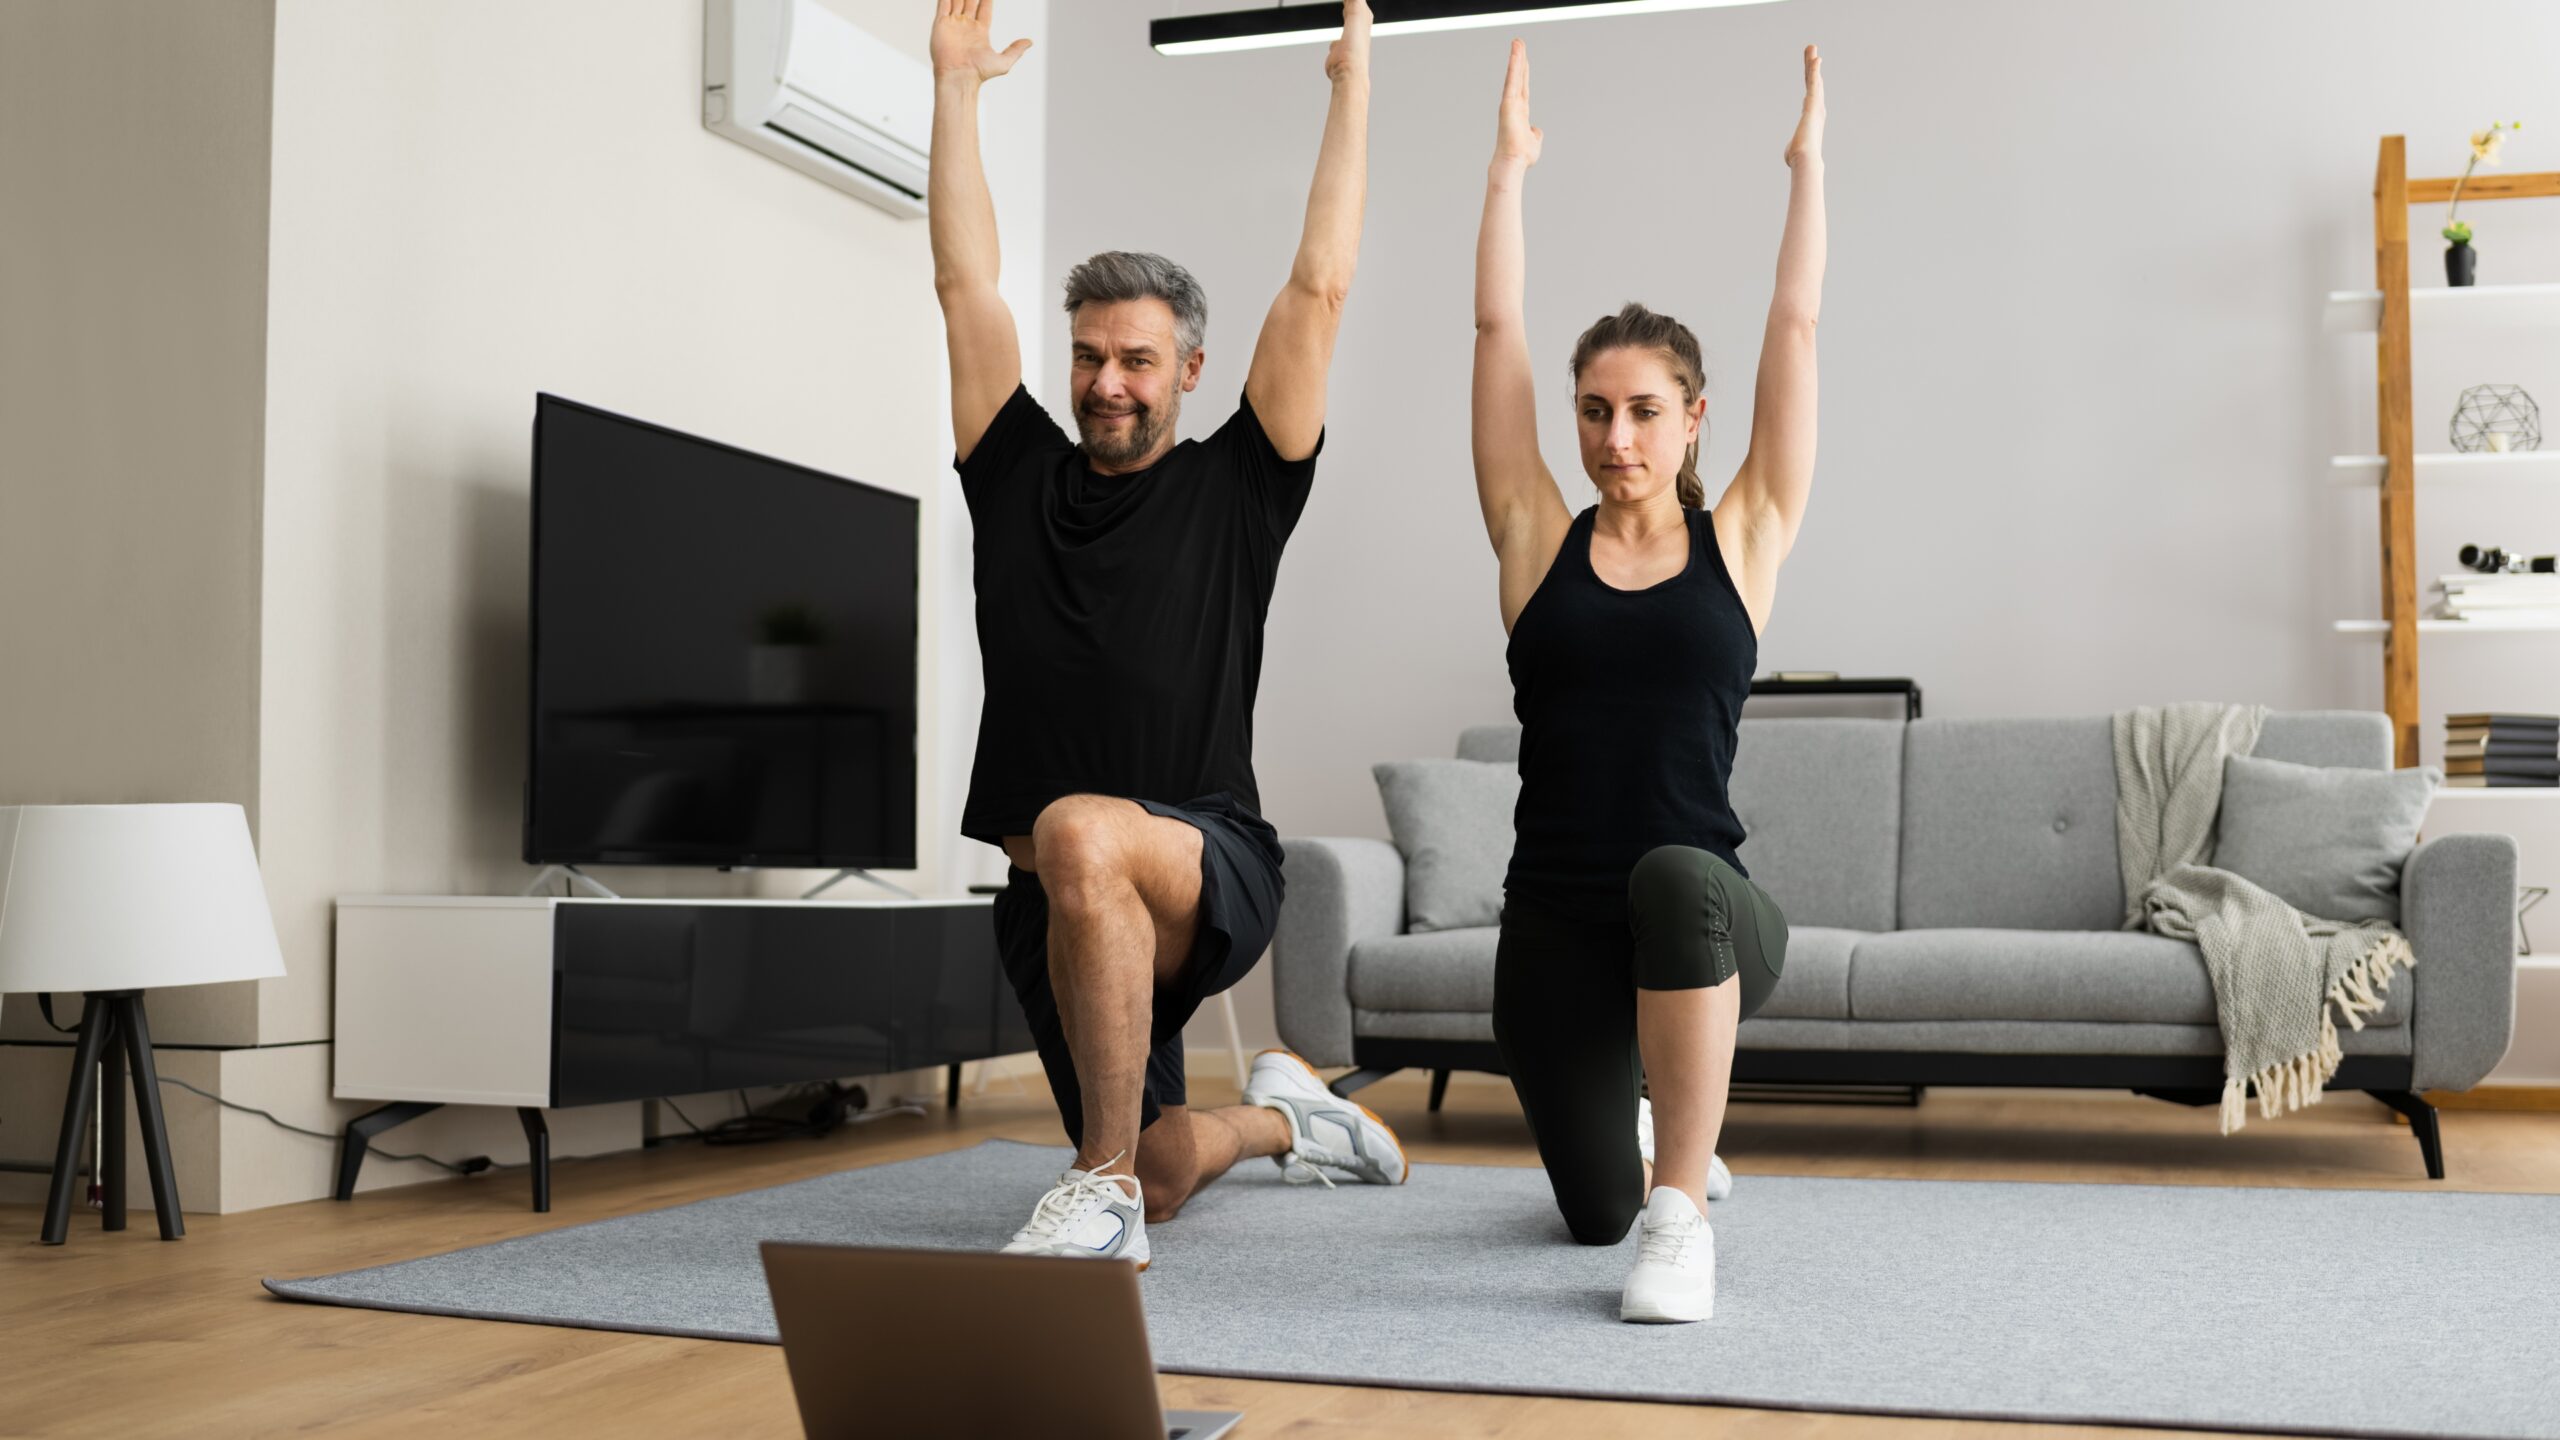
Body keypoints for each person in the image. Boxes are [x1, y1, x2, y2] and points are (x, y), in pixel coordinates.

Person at [927, 0, 1405, 1269]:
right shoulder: (1013, 469)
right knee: (1164, 1161)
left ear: (1188, 370)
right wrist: (956, 93)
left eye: (1135, 360)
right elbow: (964, 284)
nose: (1104, 384)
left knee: (1086, 822)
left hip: (1210, 859)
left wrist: (1349, 90)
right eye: (1088, 357)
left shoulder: (1239, 487)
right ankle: (1286, 1120)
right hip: (1053, 901)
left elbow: (1321, 285)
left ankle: (1094, 1192)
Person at [1467, 38, 1827, 1323]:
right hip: (1551, 924)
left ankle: (1681, 1212)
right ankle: (1659, 1148)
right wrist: (1506, 170)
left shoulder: (1742, 536)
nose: (1613, 437)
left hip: (1706, 912)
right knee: (1583, 1217)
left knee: (1673, 875)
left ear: (1693, 420)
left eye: (1641, 410)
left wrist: (1807, 168)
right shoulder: (1530, 539)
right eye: (1593, 411)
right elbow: (1497, 326)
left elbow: (1795, 323)